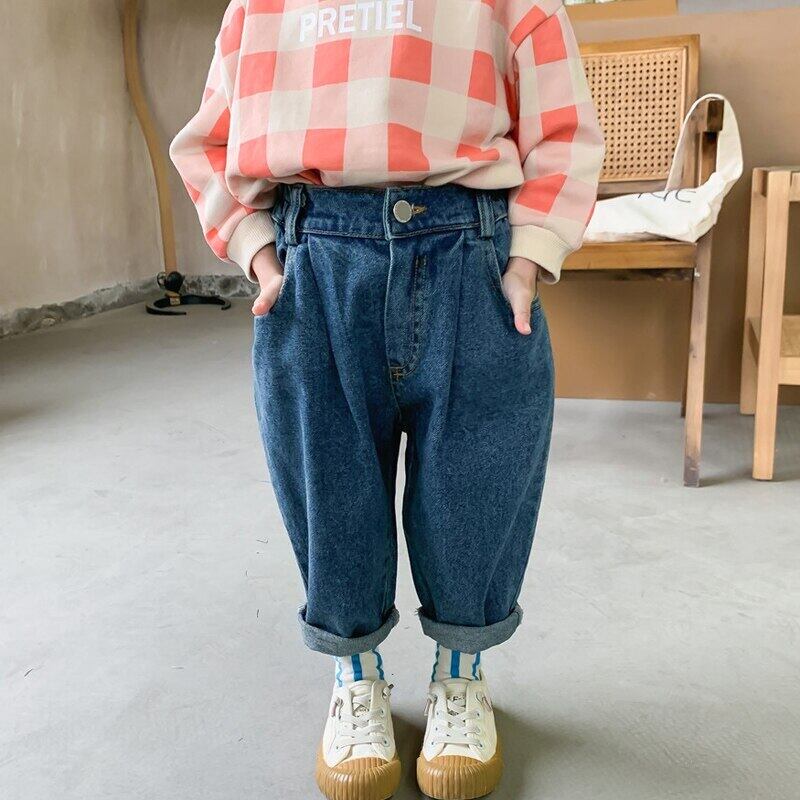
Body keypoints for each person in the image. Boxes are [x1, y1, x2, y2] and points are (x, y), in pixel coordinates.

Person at [171, 1, 603, 797]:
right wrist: (258, 252)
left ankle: (460, 674)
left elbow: (563, 126)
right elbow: (209, 141)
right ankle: (356, 676)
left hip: (472, 250)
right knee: (327, 482)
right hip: (313, 256)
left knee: (477, 477)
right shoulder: (260, 6)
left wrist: (529, 258)